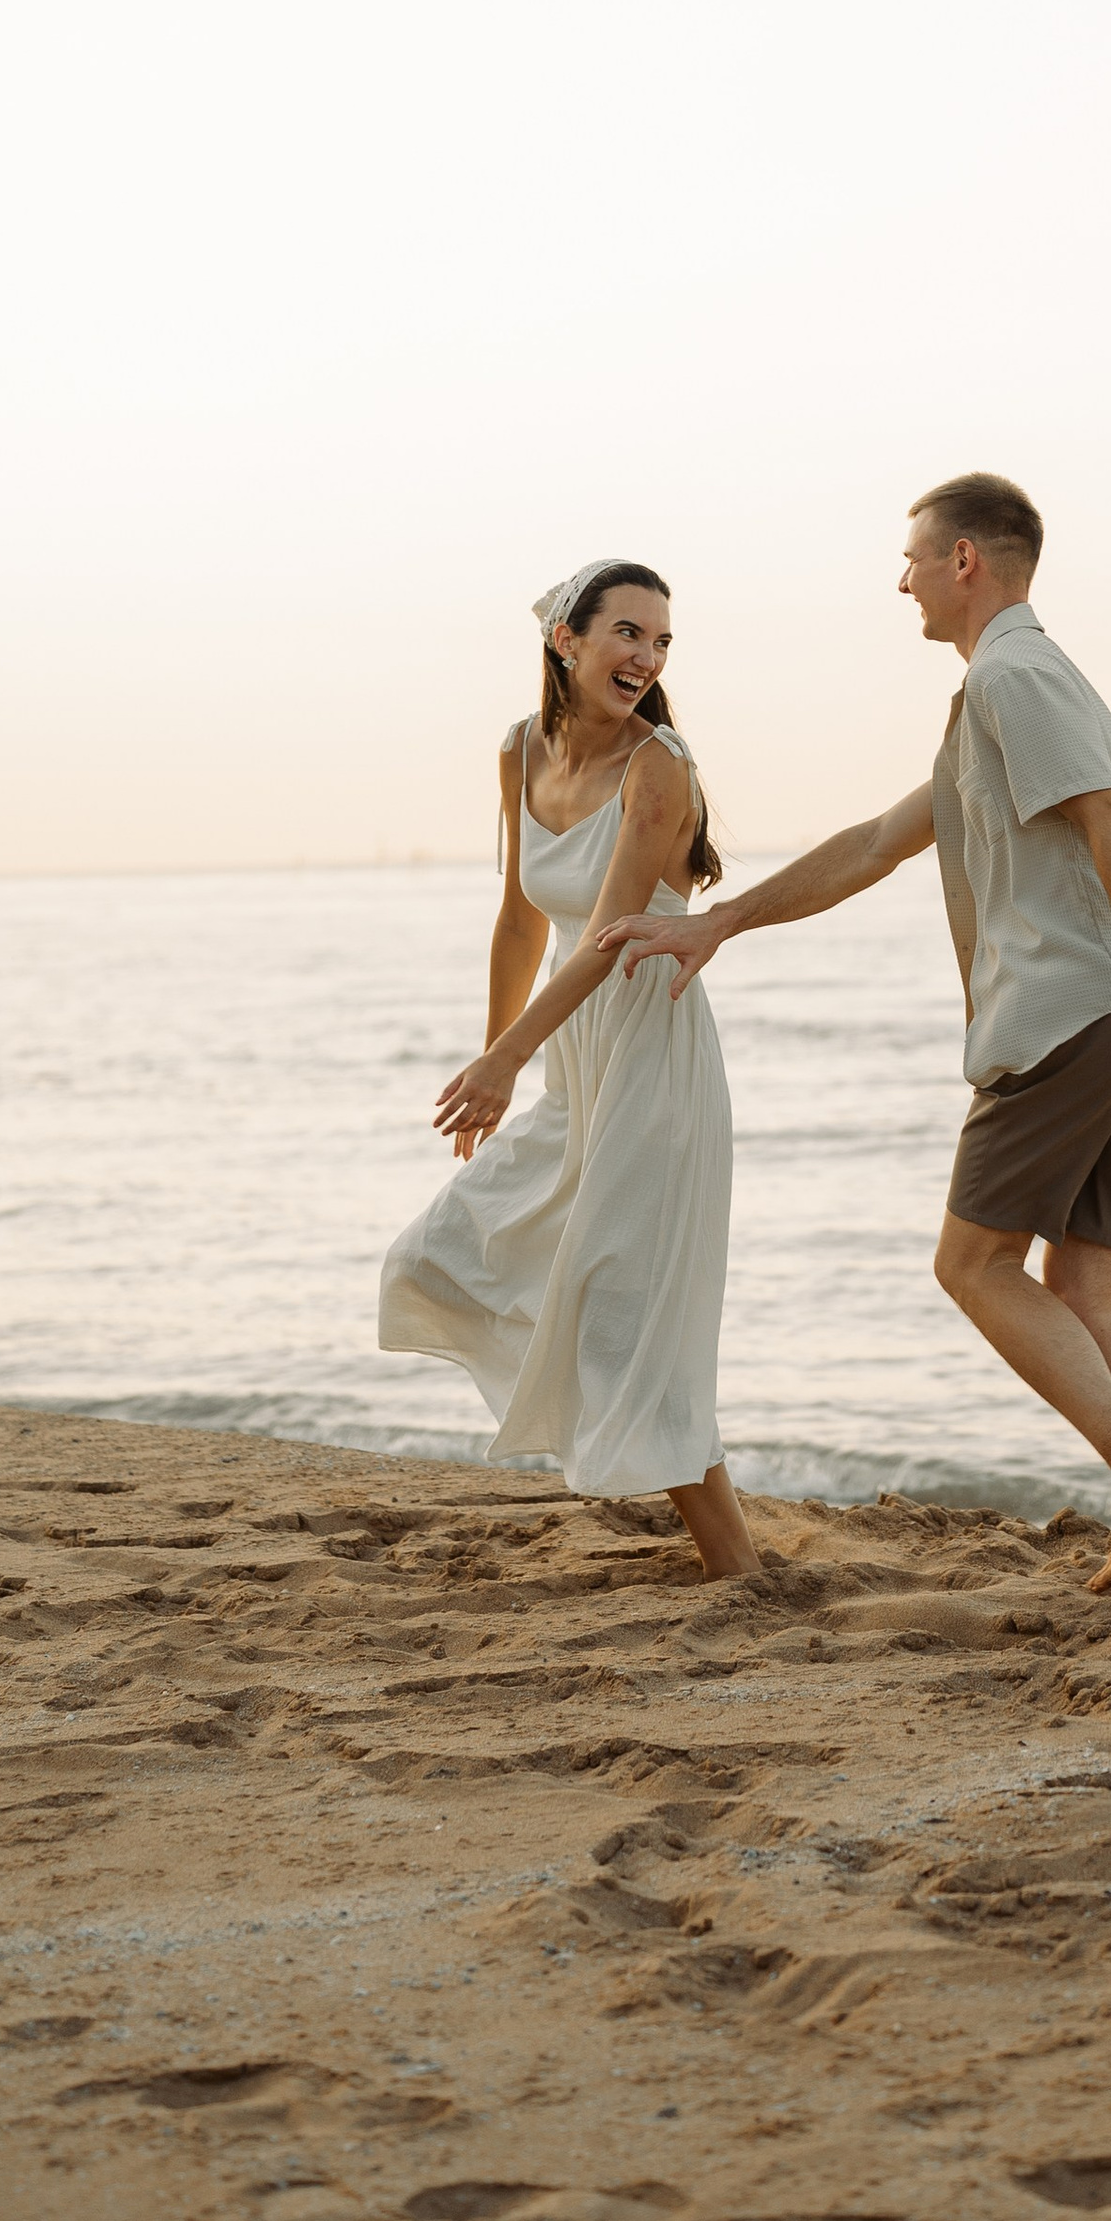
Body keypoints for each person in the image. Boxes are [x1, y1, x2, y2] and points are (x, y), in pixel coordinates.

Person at [602, 475, 1111, 1597]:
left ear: (964, 561)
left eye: (912, 558)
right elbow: (874, 843)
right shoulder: (1000, 695)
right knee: (1089, 1292)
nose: (899, 580)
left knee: (972, 1264)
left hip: (1079, 1014)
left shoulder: (1014, 675)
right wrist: (718, 921)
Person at [377, 557, 760, 1580]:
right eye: (627, 632)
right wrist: (492, 1062)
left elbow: (606, 938)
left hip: (650, 1049)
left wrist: (509, 1057)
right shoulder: (520, 749)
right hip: (570, 1057)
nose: (647, 657)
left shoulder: (658, 766)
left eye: (662, 641)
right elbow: (519, 918)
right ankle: (681, 1508)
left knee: (625, 1317)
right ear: (566, 639)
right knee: (438, 1256)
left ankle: (737, 1569)